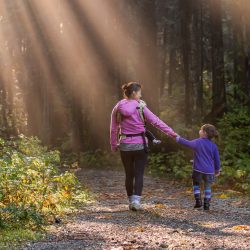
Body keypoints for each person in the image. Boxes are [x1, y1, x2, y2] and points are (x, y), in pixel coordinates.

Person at [110, 82, 177, 211]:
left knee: (129, 174)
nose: (141, 95)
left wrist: (114, 144)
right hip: (140, 144)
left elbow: (113, 128)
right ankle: (136, 201)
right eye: (140, 92)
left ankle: (130, 201)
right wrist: (172, 133)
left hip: (124, 145)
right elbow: (156, 121)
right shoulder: (140, 106)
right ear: (134, 93)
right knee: (139, 173)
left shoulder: (118, 107)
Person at [175, 124, 220, 210]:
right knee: (208, 187)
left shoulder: (198, 142)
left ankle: (198, 201)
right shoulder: (214, 146)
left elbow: (187, 143)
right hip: (209, 171)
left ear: (204, 132)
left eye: (200, 129)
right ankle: (207, 204)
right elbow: (217, 159)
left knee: (196, 184)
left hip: (198, 169)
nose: (199, 131)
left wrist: (178, 138)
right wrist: (217, 170)